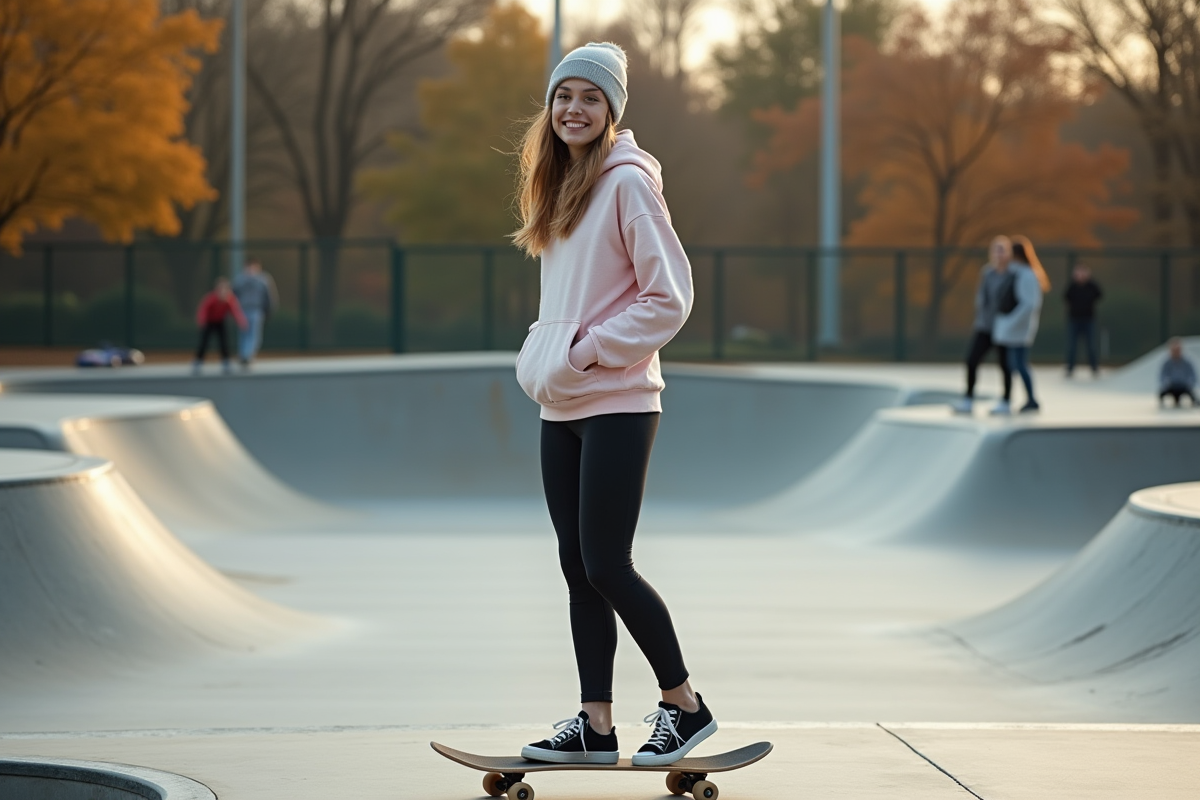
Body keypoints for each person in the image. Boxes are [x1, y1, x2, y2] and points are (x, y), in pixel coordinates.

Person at [510, 42, 715, 768]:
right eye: (564, 96)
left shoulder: (629, 184)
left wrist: (587, 351)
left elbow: (671, 299)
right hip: (562, 404)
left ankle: (685, 705)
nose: (574, 109)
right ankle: (595, 723)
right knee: (575, 565)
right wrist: (554, 359)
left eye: (590, 98)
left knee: (607, 562)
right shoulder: (556, 183)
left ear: (611, 111)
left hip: (620, 399)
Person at [952, 236, 1015, 415]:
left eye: (1002, 250)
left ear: (1008, 253)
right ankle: (968, 399)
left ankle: (1006, 401)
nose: (999, 253)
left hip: (1004, 327)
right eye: (996, 249)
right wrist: (982, 316)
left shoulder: (1013, 275)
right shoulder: (987, 273)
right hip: (985, 326)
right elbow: (981, 297)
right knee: (972, 360)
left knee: (1005, 365)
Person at [994, 235, 1050, 413]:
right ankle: (1026, 398)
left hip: (1019, 328)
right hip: (1015, 328)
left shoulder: (1026, 275)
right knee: (1015, 364)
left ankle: (1031, 399)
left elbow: (1029, 304)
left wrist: (1011, 323)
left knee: (1019, 364)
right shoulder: (1018, 273)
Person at [193, 277, 248, 374]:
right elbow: (203, 310)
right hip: (209, 322)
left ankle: (226, 362)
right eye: (220, 290)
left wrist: (241, 322)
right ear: (217, 290)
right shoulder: (211, 298)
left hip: (220, 322)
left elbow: (235, 312)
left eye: (225, 289)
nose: (223, 292)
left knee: (224, 341)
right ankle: (198, 362)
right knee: (204, 342)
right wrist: (202, 321)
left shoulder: (230, 299)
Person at [231, 257, 278, 369]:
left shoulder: (264, 280)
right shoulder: (240, 280)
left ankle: (248, 355)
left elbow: (269, 296)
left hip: (257, 310)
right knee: (243, 334)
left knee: (254, 334)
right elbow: (232, 295)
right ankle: (243, 354)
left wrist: (270, 309)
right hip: (242, 310)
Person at [1064, 264, 1103, 377]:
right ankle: (1070, 368)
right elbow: (1066, 297)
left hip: (1088, 320)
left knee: (1091, 345)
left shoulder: (1092, 286)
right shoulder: (1072, 286)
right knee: (1072, 346)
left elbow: (1099, 294)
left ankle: (1094, 367)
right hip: (1074, 320)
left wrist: (1089, 280)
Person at [1159, 337, 1197, 407]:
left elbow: (1192, 375)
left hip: (1183, 386)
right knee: (1161, 394)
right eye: (1174, 350)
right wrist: (1165, 383)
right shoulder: (1167, 362)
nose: (1176, 352)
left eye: (1177, 350)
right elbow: (1163, 375)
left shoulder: (1187, 361)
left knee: (1193, 395)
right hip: (1172, 385)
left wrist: (1190, 383)